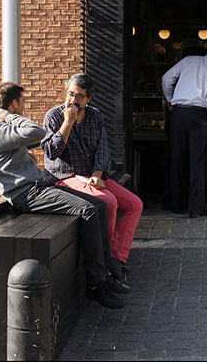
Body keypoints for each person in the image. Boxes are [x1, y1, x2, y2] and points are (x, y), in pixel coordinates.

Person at [0, 81, 125, 309]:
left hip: (39, 185)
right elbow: (37, 132)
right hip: (26, 194)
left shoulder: (2, 129)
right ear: (15, 104)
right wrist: (7, 115)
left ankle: (105, 273)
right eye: (23, 102)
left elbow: (35, 139)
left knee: (98, 205)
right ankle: (96, 285)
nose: (25, 107)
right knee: (87, 210)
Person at [41, 73, 143, 292]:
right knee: (107, 202)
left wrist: (98, 174)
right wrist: (67, 123)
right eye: (70, 94)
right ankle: (104, 265)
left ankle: (116, 260)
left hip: (91, 176)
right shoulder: (53, 116)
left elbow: (102, 148)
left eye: (79, 96)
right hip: (64, 178)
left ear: (89, 99)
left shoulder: (95, 116)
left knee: (134, 204)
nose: (72, 100)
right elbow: (50, 152)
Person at [162, 39, 207, 218]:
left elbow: (166, 78)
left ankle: (176, 205)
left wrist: (170, 99)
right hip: (199, 115)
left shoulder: (188, 60)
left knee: (177, 158)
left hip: (178, 113)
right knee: (198, 161)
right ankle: (196, 208)